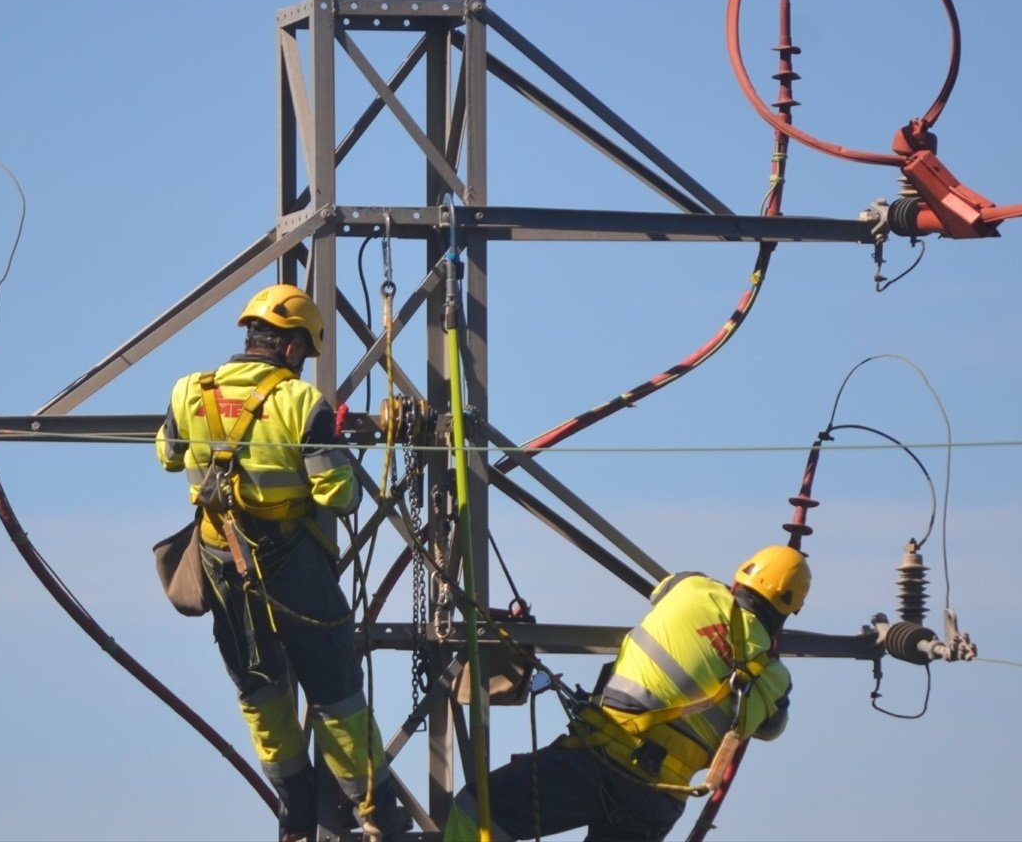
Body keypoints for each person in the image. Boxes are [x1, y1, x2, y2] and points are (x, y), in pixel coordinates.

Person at [156, 283, 411, 842]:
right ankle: (376, 813)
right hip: (291, 568)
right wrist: (333, 448)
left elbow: (168, 456)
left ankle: (295, 810)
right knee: (334, 688)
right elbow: (338, 497)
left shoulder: (188, 392)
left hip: (222, 564)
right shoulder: (301, 404)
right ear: (293, 348)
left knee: (260, 688)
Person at [443, 544, 811, 841]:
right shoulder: (775, 680)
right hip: (658, 801)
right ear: (790, 611)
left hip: (601, 762)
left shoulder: (694, 589)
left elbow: (663, 590)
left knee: (476, 815)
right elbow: (770, 728)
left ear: (737, 580)